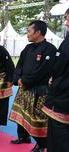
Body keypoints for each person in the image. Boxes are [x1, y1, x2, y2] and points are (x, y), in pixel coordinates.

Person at [9, 20, 57, 152]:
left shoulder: (50, 50)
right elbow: (19, 65)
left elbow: (43, 71)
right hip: (24, 87)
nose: (27, 34)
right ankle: (23, 137)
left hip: (39, 90)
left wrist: (25, 81)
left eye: (29, 31)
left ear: (38, 32)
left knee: (37, 119)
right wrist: (17, 78)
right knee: (21, 115)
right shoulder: (28, 48)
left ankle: (42, 145)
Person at [42, 8, 69, 152]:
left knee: (58, 136)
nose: (66, 22)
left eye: (66, 18)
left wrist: (52, 76)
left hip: (63, 97)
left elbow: (59, 66)